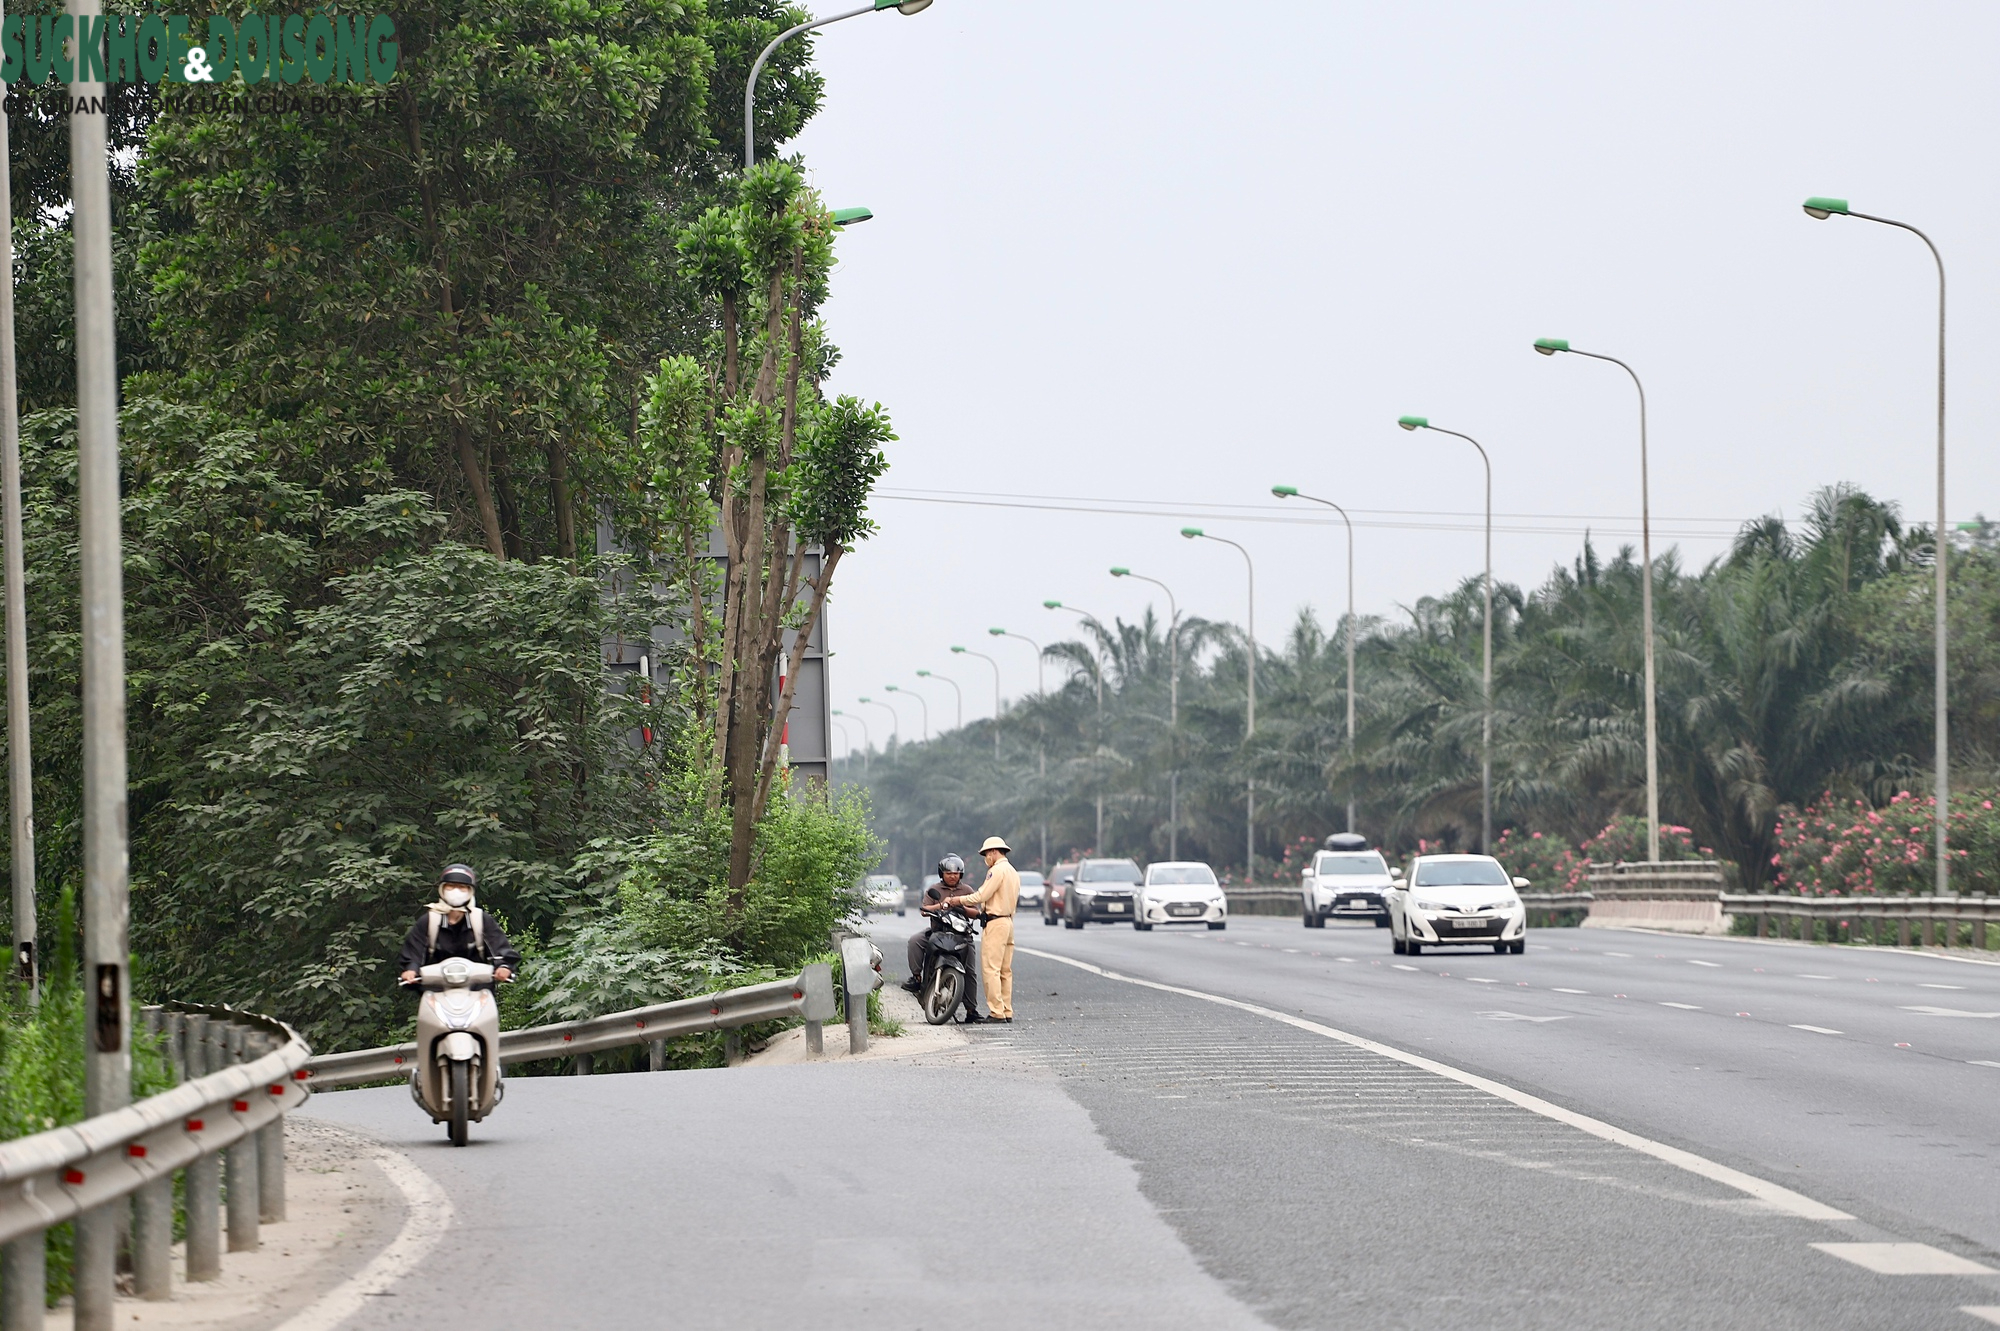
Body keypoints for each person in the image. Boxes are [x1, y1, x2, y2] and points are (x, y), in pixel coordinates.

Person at [397, 864, 521, 985]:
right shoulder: (429, 920)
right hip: (435, 988)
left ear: (470, 891)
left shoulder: (480, 919)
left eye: (462, 887)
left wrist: (504, 967)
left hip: (477, 988)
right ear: (442, 889)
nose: (456, 891)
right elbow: (414, 952)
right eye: (450, 886)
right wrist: (411, 970)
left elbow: (499, 947)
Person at [902, 854, 984, 1021]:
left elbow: (976, 912)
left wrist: (960, 906)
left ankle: (971, 1010)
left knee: (970, 970)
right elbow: (925, 910)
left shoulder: (967, 891)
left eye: (956, 873)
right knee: (915, 941)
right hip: (937, 931)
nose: (952, 876)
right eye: (949, 873)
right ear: (942, 874)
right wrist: (942, 905)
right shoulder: (934, 889)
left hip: (962, 934)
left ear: (961, 874)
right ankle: (916, 978)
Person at [947, 836, 1018, 1024]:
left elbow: (981, 895)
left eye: (986, 854)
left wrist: (958, 900)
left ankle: (996, 1012)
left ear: (994, 852)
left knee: (991, 969)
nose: (986, 858)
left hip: (995, 922)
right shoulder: (1012, 871)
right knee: (1005, 970)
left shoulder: (996, 871)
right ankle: (1006, 1010)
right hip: (1008, 922)